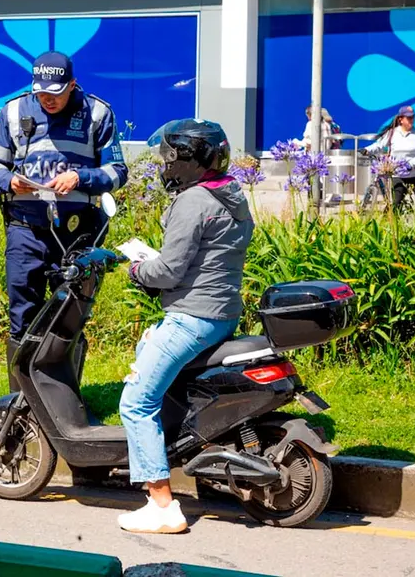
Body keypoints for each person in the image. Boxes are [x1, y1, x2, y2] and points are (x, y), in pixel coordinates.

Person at [118, 119, 254, 534]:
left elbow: (171, 269)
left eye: (167, 156)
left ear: (186, 161)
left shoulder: (192, 201)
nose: (164, 163)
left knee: (136, 402)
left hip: (191, 317)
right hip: (223, 312)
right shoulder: (232, 193)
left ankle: (161, 504)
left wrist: (137, 268)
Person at [0, 50, 128, 392]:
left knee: (70, 316)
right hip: (25, 230)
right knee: (23, 315)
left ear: (72, 85)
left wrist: (81, 178)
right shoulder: (13, 111)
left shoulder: (97, 113)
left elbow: (118, 172)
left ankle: (66, 397)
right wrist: (8, 181)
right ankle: (22, 401)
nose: (47, 99)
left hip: (79, 233)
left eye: (56, 93)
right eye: (41, 92)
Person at [364, 105, 415, 214]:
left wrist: (411, 164)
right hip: (398, 175)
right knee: (396, 204)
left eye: (413, 117)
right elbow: (379, 145)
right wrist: (366, 150)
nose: (412, 120)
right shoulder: (392, 133)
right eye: (409, 118)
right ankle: (395, 227)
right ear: (401, 119)